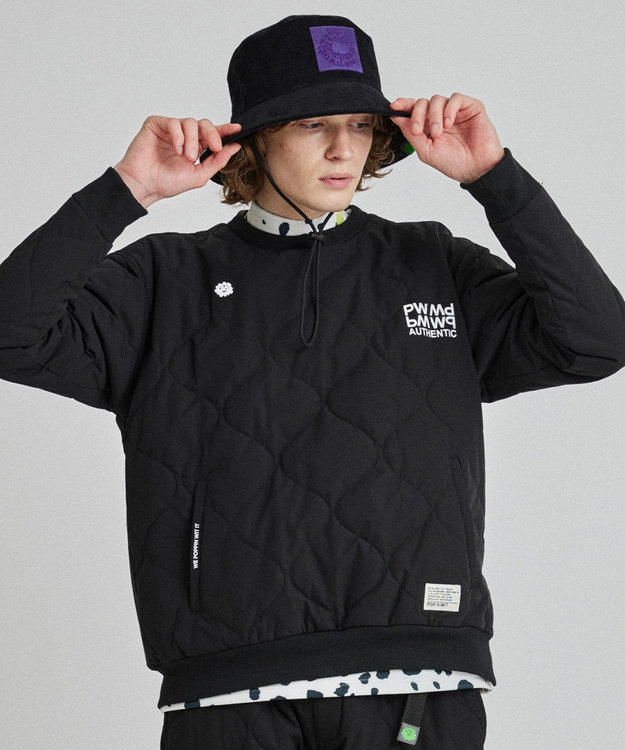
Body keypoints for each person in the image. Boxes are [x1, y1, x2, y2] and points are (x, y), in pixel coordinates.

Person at [1, 14, 624, 750]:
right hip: (230, 689)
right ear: (255, 139)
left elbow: (596, 340)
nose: (342, 149)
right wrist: (125, 189)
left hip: (420, 682)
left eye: (360, 125)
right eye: (312, 124)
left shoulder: (434, 264)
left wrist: (496, 179)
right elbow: (13, 333)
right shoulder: (164, 279)